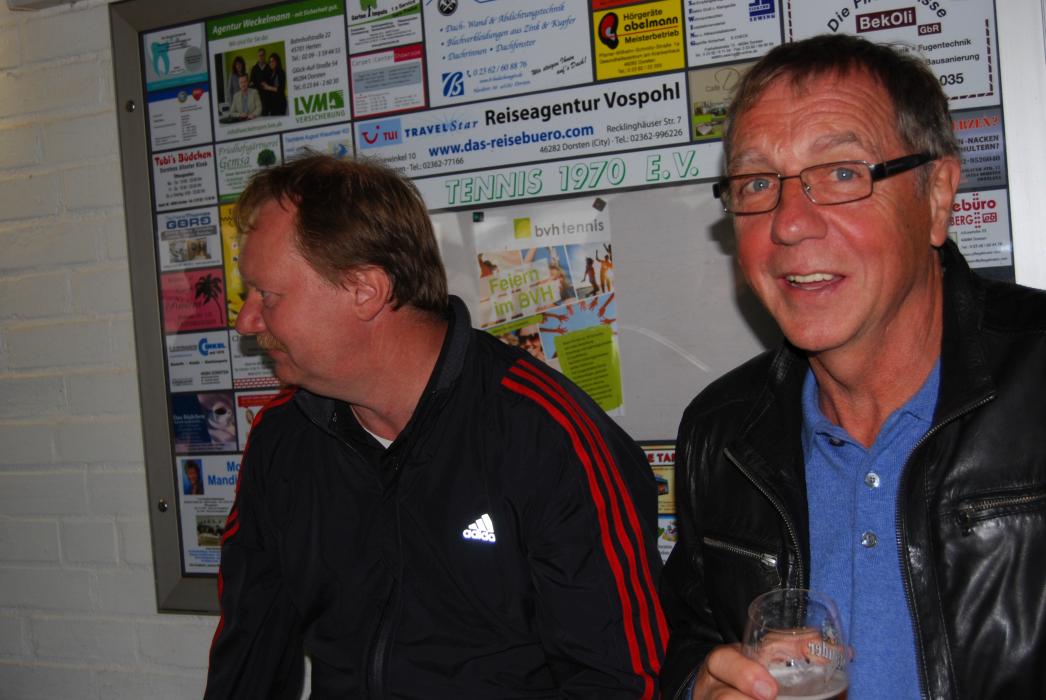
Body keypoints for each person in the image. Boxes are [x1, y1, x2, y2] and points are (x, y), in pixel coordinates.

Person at [660, 33, 1046, 700]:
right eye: (758, 183)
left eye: (841, 173)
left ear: (937, 197)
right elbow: (686, 636)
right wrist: (703, 685)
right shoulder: (719, 434)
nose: (789, 224)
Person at [205, 154, 666, 698]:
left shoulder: (548, 436)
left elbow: (620, 681)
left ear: (365, 290)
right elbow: (250, 656)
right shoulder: (283, 439)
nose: (246, 321)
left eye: (267, 295)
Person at [259, 52, 287, 116]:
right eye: (270, 62)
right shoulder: (270, 73)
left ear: (277, 62)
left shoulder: (281, 72)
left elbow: (281, 89)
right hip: (272, 104)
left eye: (273, 61)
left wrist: (268, 87)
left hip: (280, 103)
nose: (271, 63)